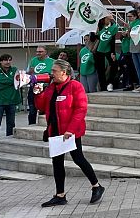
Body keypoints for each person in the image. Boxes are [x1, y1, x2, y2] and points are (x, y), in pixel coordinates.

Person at [33, 59, 104, 207]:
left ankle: (96, 186)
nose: (51, 74)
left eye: (54, 71)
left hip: (70, 132)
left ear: (64, 72)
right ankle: (60, 195)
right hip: (55, 130)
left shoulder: (75, 86)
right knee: (57, 162)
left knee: (78, 159)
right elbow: (41, 107)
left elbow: (81, 109)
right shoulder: (51, 88)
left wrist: (70, 129)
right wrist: (38, 94)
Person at [0, 53, 20, 139]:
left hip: (11, 100)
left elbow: (17, 82)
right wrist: (10, 82)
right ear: (1, 61)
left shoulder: (15, 70)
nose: (8, 62)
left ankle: (10, 141)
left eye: (9, 60)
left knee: (11, 124)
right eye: (5, 60)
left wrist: (1, 81)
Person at [27, 46, 54, 125]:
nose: (38, 53)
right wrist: (30, 72)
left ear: (45, 52)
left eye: (40, 52)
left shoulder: (52, 61)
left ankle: (45, 124)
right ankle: (31, 125)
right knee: (32, 108)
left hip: (46, 87)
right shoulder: (33, 60)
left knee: (44, 107)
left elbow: (54, 74)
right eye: (37, 51)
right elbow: (28, 73)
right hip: (34, 86)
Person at [96, 16, 118, 91]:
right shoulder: (99, 26)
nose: (108, 20)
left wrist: (113, 52)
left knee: (114, 65)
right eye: (107, 19)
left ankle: (110, 83)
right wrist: (94, 33)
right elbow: (93, 39)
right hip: (99, 50)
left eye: (109, 18)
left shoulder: (113, 27)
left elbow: (113, 40)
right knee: (100, 69)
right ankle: (103, 87)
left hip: (108, 49)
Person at [117, 10, 138, 91]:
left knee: (132, 67)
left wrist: (128, 30)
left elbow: (132, 36)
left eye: (130, 16)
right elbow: (122, 38)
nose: (128, 18)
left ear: (135, 17)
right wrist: (123, 35)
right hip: (124, 48)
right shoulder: (127, 25)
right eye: (127, 16)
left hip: (131, 48)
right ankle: (128, 83)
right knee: (125, 67)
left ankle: (134, 83)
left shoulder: (135, 24)